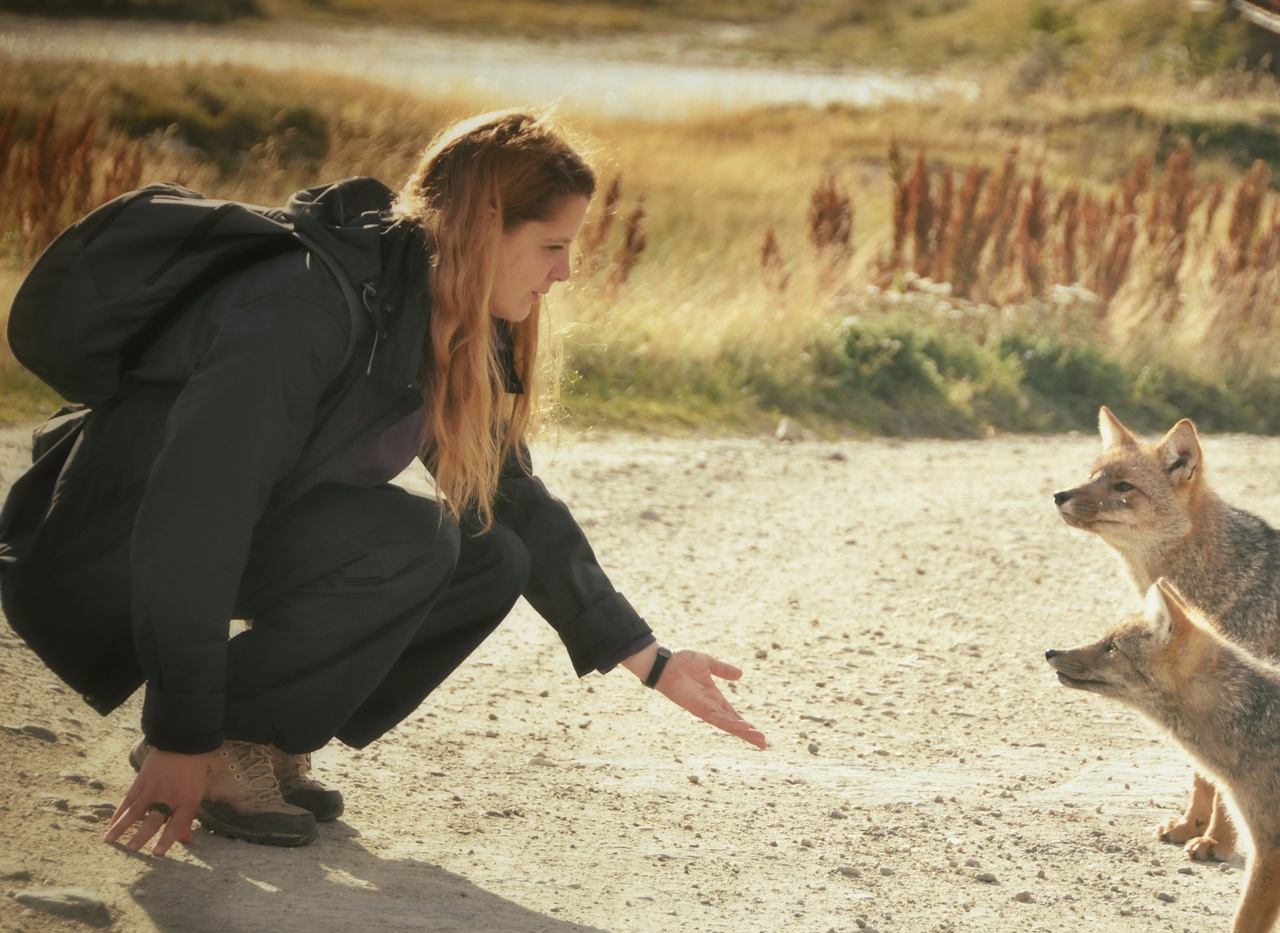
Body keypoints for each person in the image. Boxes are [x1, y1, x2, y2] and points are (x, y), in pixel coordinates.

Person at [0, 108, 766, 856]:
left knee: (488, 556)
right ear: (481, 225)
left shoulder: (435, 316)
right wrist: (178, 732)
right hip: (120, 542)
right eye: (552, 246)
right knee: (418, 540)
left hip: (240, 529)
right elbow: (196, 513)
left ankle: (257, 730)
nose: (566, 272)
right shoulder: (305, 306)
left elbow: (512, 495)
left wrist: (650, 658)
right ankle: (219, 738)